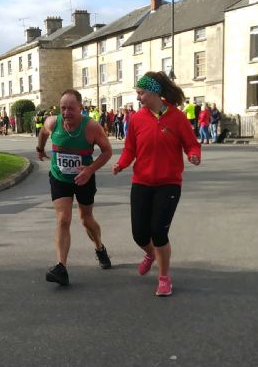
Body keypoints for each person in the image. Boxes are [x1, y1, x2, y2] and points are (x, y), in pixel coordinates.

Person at [112, 72, 201, 297]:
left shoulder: (177, 118)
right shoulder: (137, 119)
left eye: (141, 93)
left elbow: (192, 144)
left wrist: (193, 154)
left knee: (159, 232)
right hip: (141, 181)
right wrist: (121, 164)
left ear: (154, 92)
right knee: (139, 234)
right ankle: (150, 253)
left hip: (169, 183)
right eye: (137, 93)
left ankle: (164, 277)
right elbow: (130, 148)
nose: (138, 97)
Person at [36, 89, 113, 286]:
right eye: (63, 108)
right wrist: (39, 148)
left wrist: (90, 169)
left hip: (83, 178)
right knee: (63, 219)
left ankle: (99, 247)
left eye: (71, 108)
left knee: (86, 220)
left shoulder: (92, 127)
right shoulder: (54, 123)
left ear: (80, 108)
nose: (66, 112)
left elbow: (107, 152)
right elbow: (44, 132)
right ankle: (61, 267)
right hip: (60, 177)